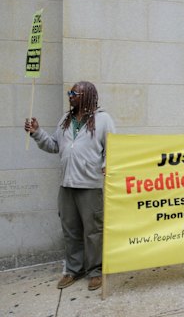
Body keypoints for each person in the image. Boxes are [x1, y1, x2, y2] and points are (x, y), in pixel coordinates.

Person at [24, 81, 115, 291]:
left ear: (88, 96)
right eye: (69, 92)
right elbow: (54, 145)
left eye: (74, 93)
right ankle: (74, 269)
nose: (70, 95)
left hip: (90, 186)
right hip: (66, 185)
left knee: (93, 231)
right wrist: (37, 133)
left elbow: (113, 148)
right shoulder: (66, 120)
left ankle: (95, 271)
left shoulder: (103, 120)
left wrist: (106, 165)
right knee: (71, 230)